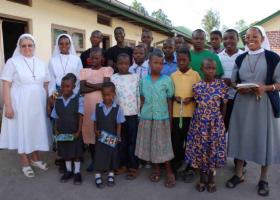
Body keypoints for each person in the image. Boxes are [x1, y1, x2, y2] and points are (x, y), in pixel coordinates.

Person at [226, 26, 280, 197]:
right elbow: (234, 81)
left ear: (262, 38)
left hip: (264, 105)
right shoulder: (241, 58)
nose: (250, 39)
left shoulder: (273, 58)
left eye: (255, 36)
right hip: (243, 104)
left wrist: (266, 87)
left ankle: (263, 179)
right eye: (247, 36)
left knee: (264, 140)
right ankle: (238, 174)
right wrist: (238, 88)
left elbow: (279, 83)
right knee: (241, 137)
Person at [0, 33, 50, 177]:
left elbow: (46, 83)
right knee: (22, 130)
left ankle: (35, 159)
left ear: (34, 47)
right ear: (19, 47)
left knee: (36, 130)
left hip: (38, 103)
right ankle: (24, 162)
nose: (27, 48)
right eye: (24, 46)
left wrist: (46, 102)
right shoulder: (13, 62)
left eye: (30, 45)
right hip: (20, 102)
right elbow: (6, 84)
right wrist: (7, 106)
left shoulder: (40, 62)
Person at [185, 58, 228, 193]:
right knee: (201, 150)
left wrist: (222, 122)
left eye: (213, 68)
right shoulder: (197, 87)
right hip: (199, 123)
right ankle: (202, 179)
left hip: (215, 123)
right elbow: (197, 104)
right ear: (202, 69)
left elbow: (224, 105)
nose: (211, 71)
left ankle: (211, 179)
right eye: (208, 68)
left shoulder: (221, 85)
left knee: (212, 150)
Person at [135, 52, 176, 188]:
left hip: (162, 118)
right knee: (152, 145)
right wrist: (140, 115)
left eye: (160, 63)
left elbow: (170, 101)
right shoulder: (143, 81)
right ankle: (156, 168)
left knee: (164, 145)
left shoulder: (167, 80)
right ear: (149, 63)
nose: (158, 65)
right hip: (147, 117)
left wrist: (170, 119)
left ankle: (169, 171)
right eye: (155, 62)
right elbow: (142, 99)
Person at [80, 49, 114, 172]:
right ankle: (95, 162)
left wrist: (90, 85)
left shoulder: (107, 70)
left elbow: (106, 87)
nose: (94, 60)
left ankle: (108, 163)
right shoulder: (84, 71)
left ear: (102, 59)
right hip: (89, 109)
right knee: (92, 138)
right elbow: (82, 89)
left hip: (104, 109)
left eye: (97, 58)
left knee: (105, 134)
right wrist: (97, 87)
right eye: (92, 58)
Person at [170, 47, 201, 181]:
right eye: (179, 60)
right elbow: (169, 94)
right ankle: (176, 167)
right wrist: (174, 97)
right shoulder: (173, 76)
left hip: (191, 115)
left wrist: (193, 98)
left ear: (189, 60)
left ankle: (189, 168)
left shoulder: (195, 75)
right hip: (177, 115)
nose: (181, 62)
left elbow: (200, 94)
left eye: (184, 60)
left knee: (190, 142)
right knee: (176, 142)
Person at [51, 73, 84, 185]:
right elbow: (55, 116)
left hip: (74, 131)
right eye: (62, 86)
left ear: (73, 87)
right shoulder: (58, 100)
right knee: (66, 153)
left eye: (67, 86)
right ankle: (69, 171)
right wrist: (56, 130)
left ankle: (77, 172)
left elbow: (81, 116)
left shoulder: (78, 99)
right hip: (62, 131)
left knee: (76, 153)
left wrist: (79, 131)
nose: (64, 88)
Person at [111, 53, 140, 179]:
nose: (123, 66)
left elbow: (138, 95)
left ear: (130, 63)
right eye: (120, 63)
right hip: (119, 116)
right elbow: (112, 96)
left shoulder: (136, 77)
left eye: (126, 63)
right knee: (121, 141)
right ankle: (123, 164)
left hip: (132, 115)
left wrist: (139, 112)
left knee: (132, 142)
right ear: (116, 64)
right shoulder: (113, 78)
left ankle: (133, 166)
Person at [92, 82, 126, 188]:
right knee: (99, 155)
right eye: (104, 95)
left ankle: (111, 174)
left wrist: (118, 136)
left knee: (112, 155)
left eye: (109, 95)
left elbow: (119, 124)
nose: (107, 97)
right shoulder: (98, 107)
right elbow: (95, 120)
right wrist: (95, 130)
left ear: (113, 94)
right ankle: (97, 174)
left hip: (112, 136)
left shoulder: (117, 108)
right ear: (102, 95)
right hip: (100, 136)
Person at [218, 29, 244, 131]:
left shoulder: (244, 56)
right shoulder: (218, 57)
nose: (228, 41)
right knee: (222, 127)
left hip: (238, 98)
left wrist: (233, 83)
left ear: (237, 39)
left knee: (237, 127)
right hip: (221, 99)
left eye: (232, 38)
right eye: (225, 38)